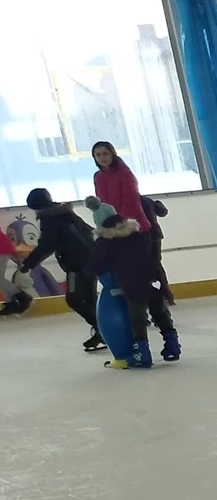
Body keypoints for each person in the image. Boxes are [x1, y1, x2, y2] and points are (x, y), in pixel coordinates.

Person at [84, 213, 179, 367]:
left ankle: (142, 354)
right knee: (160, 313)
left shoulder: (107, 242)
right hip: (154, 280)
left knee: (137, 319)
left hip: (134, 285)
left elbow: (95, 265)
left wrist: (87, 272)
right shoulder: (138, 236)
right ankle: (173, 346)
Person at [18, 188, 100, 351]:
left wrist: (27, 265)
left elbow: (46, 246)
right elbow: (89, 231)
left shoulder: (50, 220)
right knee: (90, 299)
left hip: (76, 265)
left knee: (74, 299)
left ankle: (103, 329)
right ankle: (104, 331)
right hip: (91, 260)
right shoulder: (66, 213)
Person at [91, 142, 150, 234]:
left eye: (105, 154)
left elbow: (131, 201)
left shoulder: (124, 173)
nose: (102, 158)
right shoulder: (98, 177)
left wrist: (120, 222)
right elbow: (101, 203)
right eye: (98, 155)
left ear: (112, 154)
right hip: (111, 228)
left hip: (133, 227)